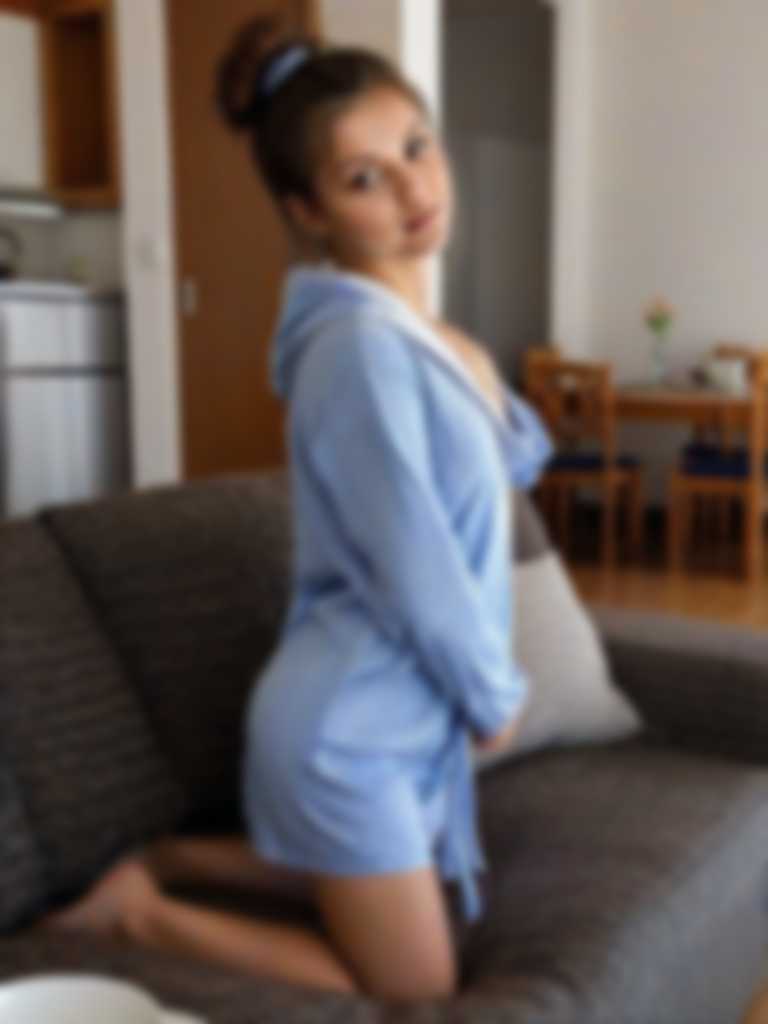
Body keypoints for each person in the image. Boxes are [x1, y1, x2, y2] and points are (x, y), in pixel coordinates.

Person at [36, 14, 554, 1002]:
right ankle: (138, 912)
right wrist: (493, 696)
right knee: (416, 986)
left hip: (390, 712)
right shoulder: (356, 352)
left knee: (394, 894)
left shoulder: (411, 334)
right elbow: (413, 557)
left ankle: (171, 859)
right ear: (307, 210)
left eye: (416, 147)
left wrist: (470, 365)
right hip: (350, 728)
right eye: (365, 178)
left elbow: (509, 470)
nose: (415, 189)